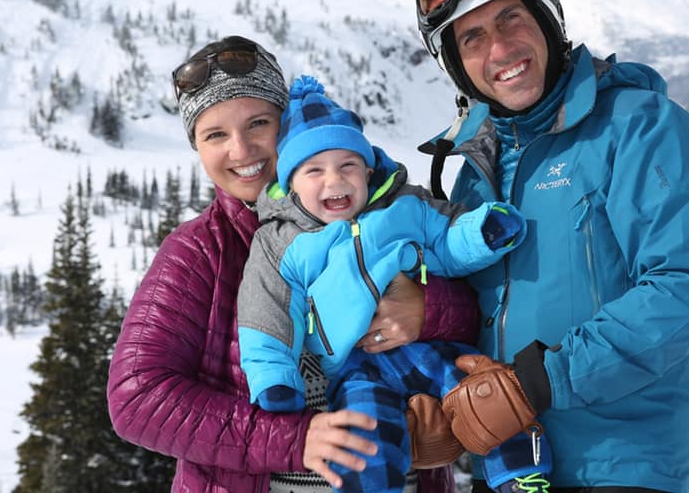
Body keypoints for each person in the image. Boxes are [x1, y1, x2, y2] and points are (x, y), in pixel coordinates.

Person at [412, 0, 689, 493]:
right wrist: (439, 400)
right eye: (472, 38)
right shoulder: (476, 172)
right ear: (457, 66)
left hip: (621, 466)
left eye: (510, 17)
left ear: (545, 19)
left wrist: (542, 381)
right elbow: (479, 314)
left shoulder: (637, 127)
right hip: (511, 468)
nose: (500, 48)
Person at [107, 35, 478, 493]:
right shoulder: (199, 252)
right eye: (216, 135)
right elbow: (138, 397)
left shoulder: (378, 212)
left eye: (258, 123)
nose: (241, 151)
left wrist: (428, 308)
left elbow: (480, 301)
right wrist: (292, 439)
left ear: (288, 127)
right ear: (197, 148)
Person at [237, 74, 552, 493]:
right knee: (365, 437)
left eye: (347, 165)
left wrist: (483, 232)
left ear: (368, 170)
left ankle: (522, 477)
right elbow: (267, 313)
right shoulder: (282, 242)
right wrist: (274, 379)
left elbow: (447, 238)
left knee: (487, 398)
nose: (334, 181)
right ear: (290, 184)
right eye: (313, 171)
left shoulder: (404, 206)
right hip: (356, 364)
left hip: (431, 347)